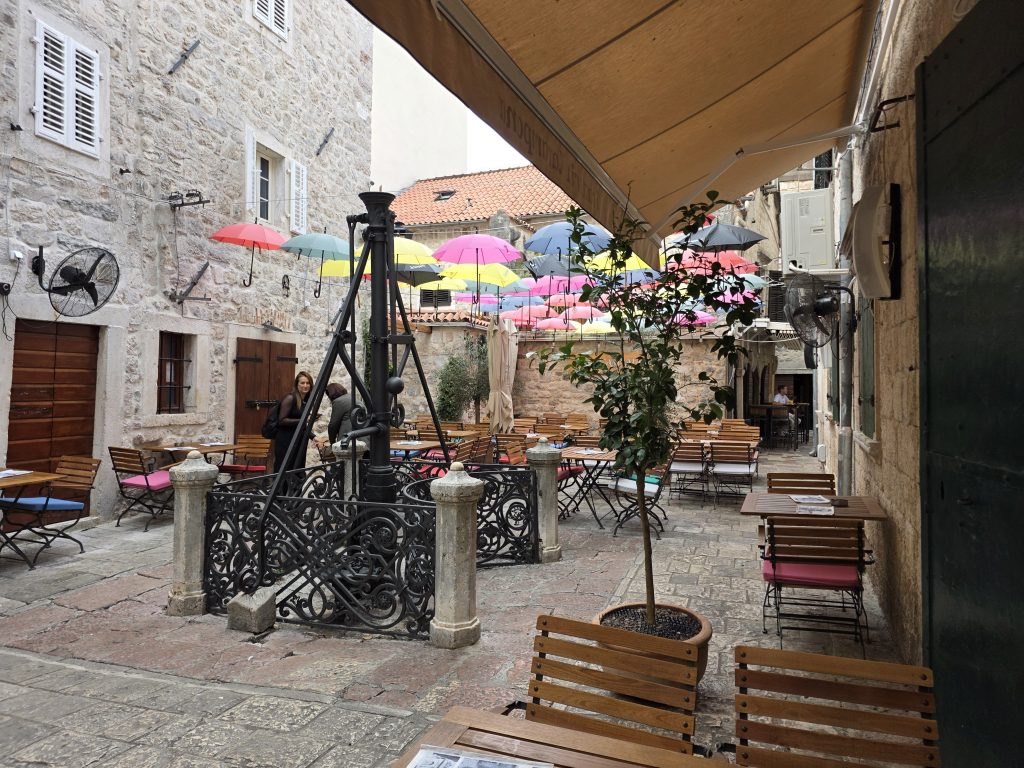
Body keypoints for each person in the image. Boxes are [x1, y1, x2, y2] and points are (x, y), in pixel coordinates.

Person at [274, 371, 314, 473]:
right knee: (285, 470)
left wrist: (314, 437)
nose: (305, 385)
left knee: (297, 470)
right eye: (302, 383)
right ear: (297, 384)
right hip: (286, 441)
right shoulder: (290, 398)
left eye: (308, 383)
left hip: (298, 441)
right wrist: (304, 419)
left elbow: (301, 425)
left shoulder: (306, 401)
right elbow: (282, 420)